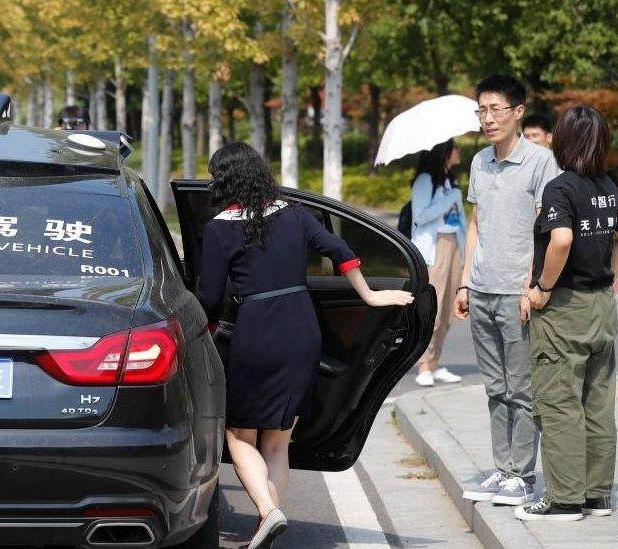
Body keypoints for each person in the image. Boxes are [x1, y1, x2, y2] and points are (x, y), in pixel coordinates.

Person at [196, 142, 414, 548]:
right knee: (278, 439)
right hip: (302, 326)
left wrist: (202, 331)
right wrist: (369, 296)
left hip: (256, 331)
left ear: (223, 181)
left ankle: (268, 512)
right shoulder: (295, 215)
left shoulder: (220, 228)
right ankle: (269, 522)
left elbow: (208, 296)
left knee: (239, 436)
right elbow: (341, 251)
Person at [455, 74, 560, 506]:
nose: (488, 118)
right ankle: (503, 471)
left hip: (517, 292)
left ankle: (523, 475)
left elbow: (545, 230)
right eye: (482, 110)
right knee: (495, 388)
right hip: (481, 288)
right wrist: (464, 280)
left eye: (496, 109)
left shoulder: (540, 162)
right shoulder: (480, 161)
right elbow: (475, 225)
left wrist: (533, 288)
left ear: (518, 111)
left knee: (521, 388)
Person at [517, 105, 617, 521]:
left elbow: (560, 240)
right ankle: (596, 496)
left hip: (565, 306)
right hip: (601, 304)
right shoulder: (609, 185)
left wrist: (541, 288)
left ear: (563, 141)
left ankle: (564, 500)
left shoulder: (560, 188)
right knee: (597, 402)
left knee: (559, 403)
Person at [410, 139, 467, 387]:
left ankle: (435, 363)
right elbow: (421, 216)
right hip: (436, 248)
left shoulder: (451, 181)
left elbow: (461, 221)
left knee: (447, 310)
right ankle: (424, 364)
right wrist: (449, 198)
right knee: (432, 308)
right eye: (454, 148)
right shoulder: (425, 180)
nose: (459, 151)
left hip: (454, 244)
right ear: (443, 152)